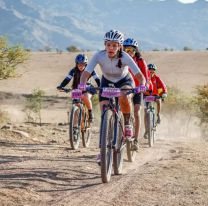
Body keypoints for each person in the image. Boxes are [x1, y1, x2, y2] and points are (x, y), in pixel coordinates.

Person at [79, 30, 146, 160]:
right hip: (107, 81)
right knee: (104, 111)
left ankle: (127, 124)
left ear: (119, 46)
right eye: (109, 45)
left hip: (124, 81)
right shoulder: (99, 55)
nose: (111, 48)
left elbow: (139, 76)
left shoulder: (126, 56)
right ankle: (103, 150)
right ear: (105, 44)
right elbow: (86, 73)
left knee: (124, 96)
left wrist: (142, 85)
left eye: (115, 45)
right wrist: (82, 84)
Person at [123, 38, 151, 150]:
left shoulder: (140, 61)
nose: (129, 52)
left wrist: (145, 86)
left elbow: (146, 77)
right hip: (125, 89)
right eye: (126, 50)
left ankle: (136, 140)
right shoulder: (121, 59)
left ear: (136, 50)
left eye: (132, 50)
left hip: (137, 89)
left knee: (136, 111)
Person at [57, 54, 100, 122]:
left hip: (88, 88)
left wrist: (100, 85)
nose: (80, 66)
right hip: (76, 89)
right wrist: (61, 86)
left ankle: (90, 113)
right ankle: (75, 127)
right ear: (76, 63)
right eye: (79, 64)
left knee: (85, 97)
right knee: (76, 104)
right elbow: (67, 79)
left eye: (82, 64)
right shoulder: (73, 70)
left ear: (85, 64)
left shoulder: (90, 70)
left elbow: (97, 78)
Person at [143, 63, 168, 138]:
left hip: (154, 95)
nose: (151, 71)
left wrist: (165, 93)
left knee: (158, 100)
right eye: (149, 70)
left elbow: (164, 87)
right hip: (146, 96)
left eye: (153, 70)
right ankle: (147, 130)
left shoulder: (157, 78)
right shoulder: (144, 78)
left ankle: (158, 114)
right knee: (145, 113)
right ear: (147, 70)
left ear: (154, 71)